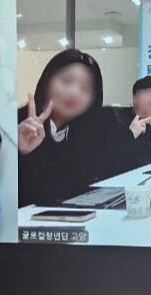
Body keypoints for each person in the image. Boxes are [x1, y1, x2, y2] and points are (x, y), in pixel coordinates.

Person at [17, 48, 124, 206]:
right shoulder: (19, 123)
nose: (74, 92)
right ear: (47, 80)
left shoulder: (86, 136)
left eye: (85, 89)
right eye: (66, 81)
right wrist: (21, 152)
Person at [111, 75, 151, 171]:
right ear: (134, 96)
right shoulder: (111, 117)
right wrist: (130, 134)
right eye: (148, 92)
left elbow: (148, 172)